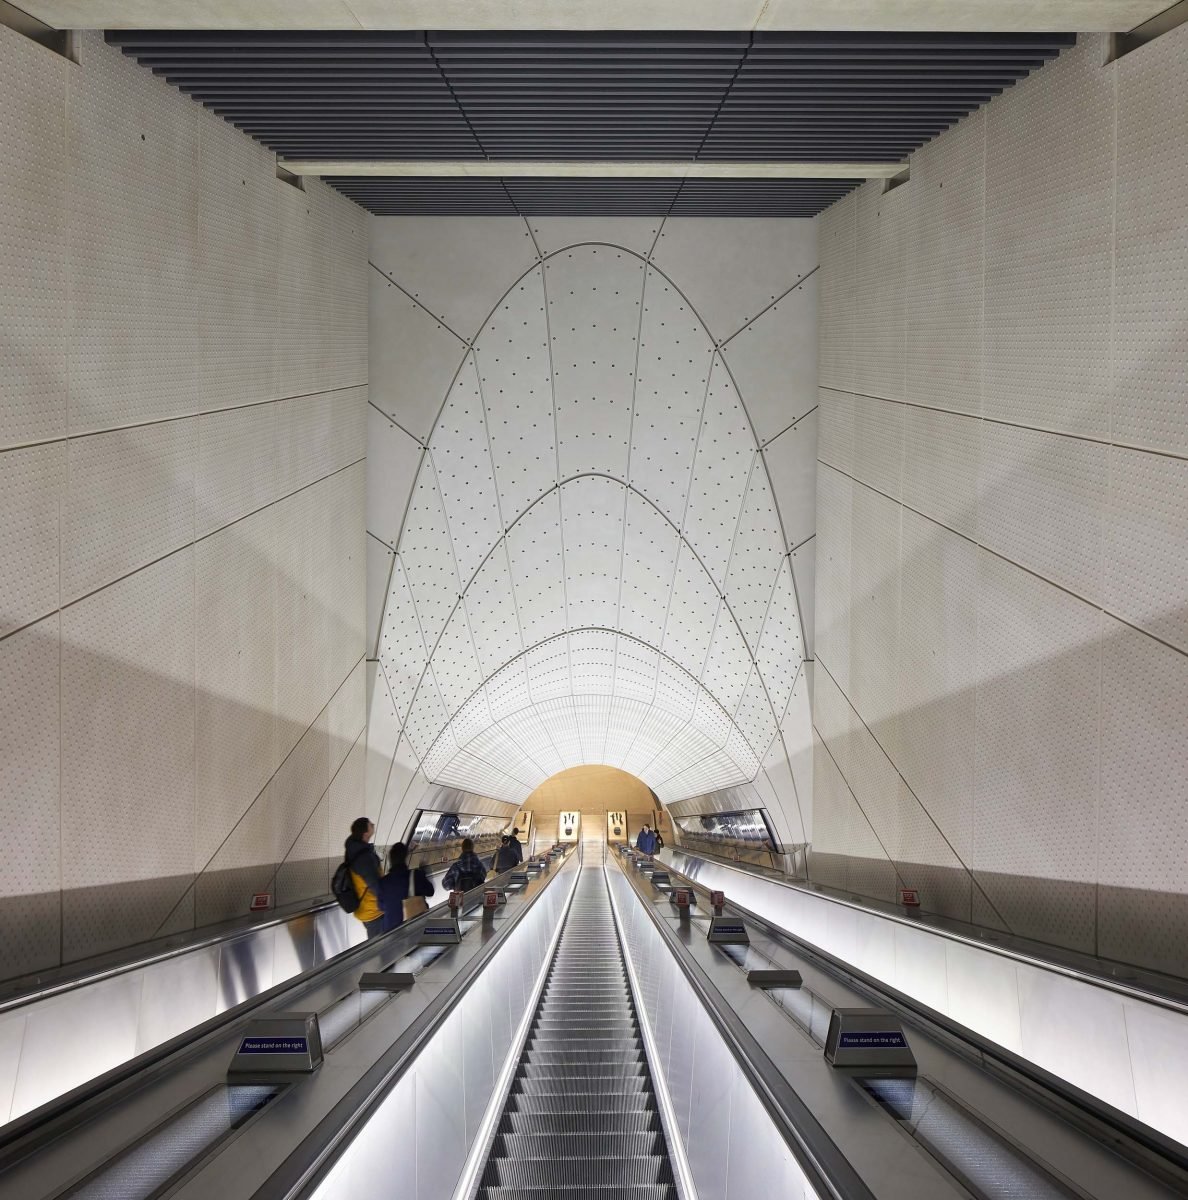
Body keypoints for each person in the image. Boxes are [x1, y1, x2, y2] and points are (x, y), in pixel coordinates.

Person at [376, 842, 435, 933]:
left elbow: (381, 907)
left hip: (390, 930)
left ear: (390, 860)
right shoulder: (416, 876)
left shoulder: (383, 882)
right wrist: (424, 872)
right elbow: (430, 891)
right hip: (414, 928)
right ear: (405, 858)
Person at [345, 817, 384, 938]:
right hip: (373, 911)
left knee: (381, 946)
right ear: (365, 832)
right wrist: (388, 899)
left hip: (368, 908)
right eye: (370, 824)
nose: (373, 824)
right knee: (381, 948)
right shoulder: (363, 857)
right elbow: (375, 885)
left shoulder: (357, 850)